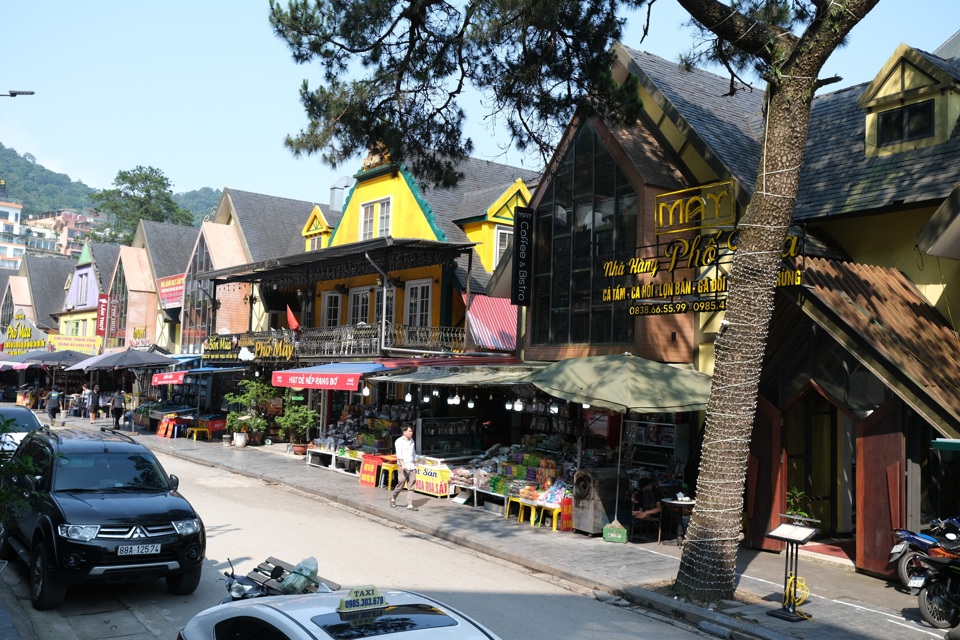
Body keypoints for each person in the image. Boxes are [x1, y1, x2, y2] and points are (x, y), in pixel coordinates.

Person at [390, 424, 418, 511]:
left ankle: (410, 504)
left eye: (411, 431)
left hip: (411, 465)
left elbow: (413, 453)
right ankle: (393, 498)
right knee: (401, 484)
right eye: (409, 431)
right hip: (403, 466)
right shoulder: (399, 441)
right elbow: (399, 454)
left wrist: (415, 463)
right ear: (404, 432)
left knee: (412, 485)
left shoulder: (412, 441)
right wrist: (402, 464)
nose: (411, 433)